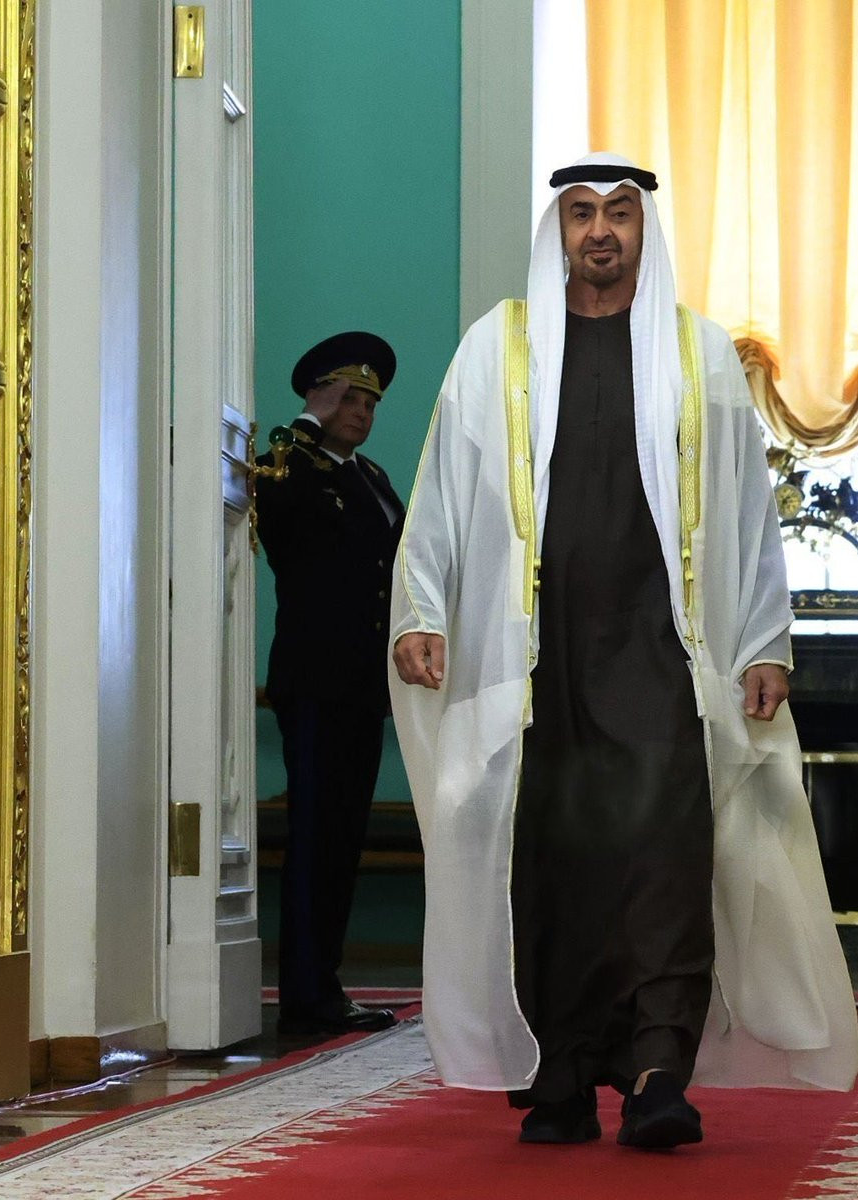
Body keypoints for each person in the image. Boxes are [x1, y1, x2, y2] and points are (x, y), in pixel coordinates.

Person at [390, 153, 858, 1148]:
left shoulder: (698, 353)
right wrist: (420, 611)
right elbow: (441, 491)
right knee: (552, 861)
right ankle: (560, 1072)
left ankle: (656, 1072)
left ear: (645, 227)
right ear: (556, 230)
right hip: (535, 662)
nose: (599, 231)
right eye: (579, 213)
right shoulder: (496, 348)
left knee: (664, 857)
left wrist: (762, 640)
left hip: (662, 653)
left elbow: (746, 513)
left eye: (617, 213)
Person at [256, 332, 405, 1036]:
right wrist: (307, 423)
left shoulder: (370, 477)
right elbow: (275, 508)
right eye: (348, 399)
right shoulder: (291, 463)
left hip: (362, 685)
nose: (362, 412)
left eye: (370, 403)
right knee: (315, 836)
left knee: (344, 838)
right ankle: (305, 993)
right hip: (314, 679)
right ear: (319, 396)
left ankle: (327, 985)